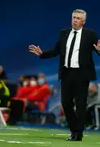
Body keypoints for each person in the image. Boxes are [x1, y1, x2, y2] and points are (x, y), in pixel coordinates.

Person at [29, 9, 100, 141]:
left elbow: (98, 50)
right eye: (74, 17)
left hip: (81, 73)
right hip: (67, 73)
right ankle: (74, 128)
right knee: (66, 103)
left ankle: (77, 133)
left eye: (78, 18)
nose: (75, 20)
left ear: (83, 21)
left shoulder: (90, 34)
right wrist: (42, 53)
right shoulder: (64, 33)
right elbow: (56, 51)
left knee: (80, 104)